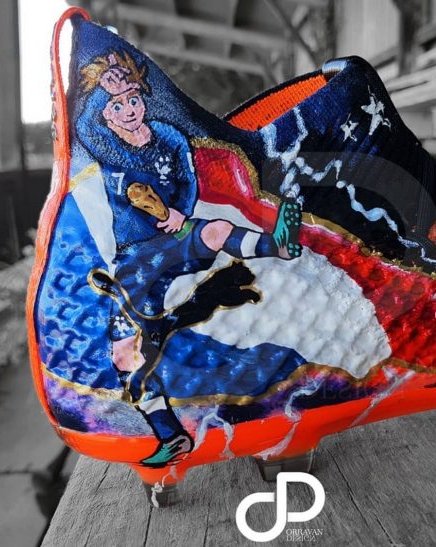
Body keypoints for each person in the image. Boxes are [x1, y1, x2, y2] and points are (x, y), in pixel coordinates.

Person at [76, 50, 302, 466]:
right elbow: (87, 130)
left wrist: (180, 212)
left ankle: (279, 245)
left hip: (174, 235)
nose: (129, 110)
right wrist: (99, 72)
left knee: (215, 230)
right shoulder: (109, 149)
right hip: (136, 261)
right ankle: (170, 435)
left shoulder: (168, 135)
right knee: (125, 352)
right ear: (105, 115)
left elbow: (188, 179)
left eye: (134, 99)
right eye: (117, 106)